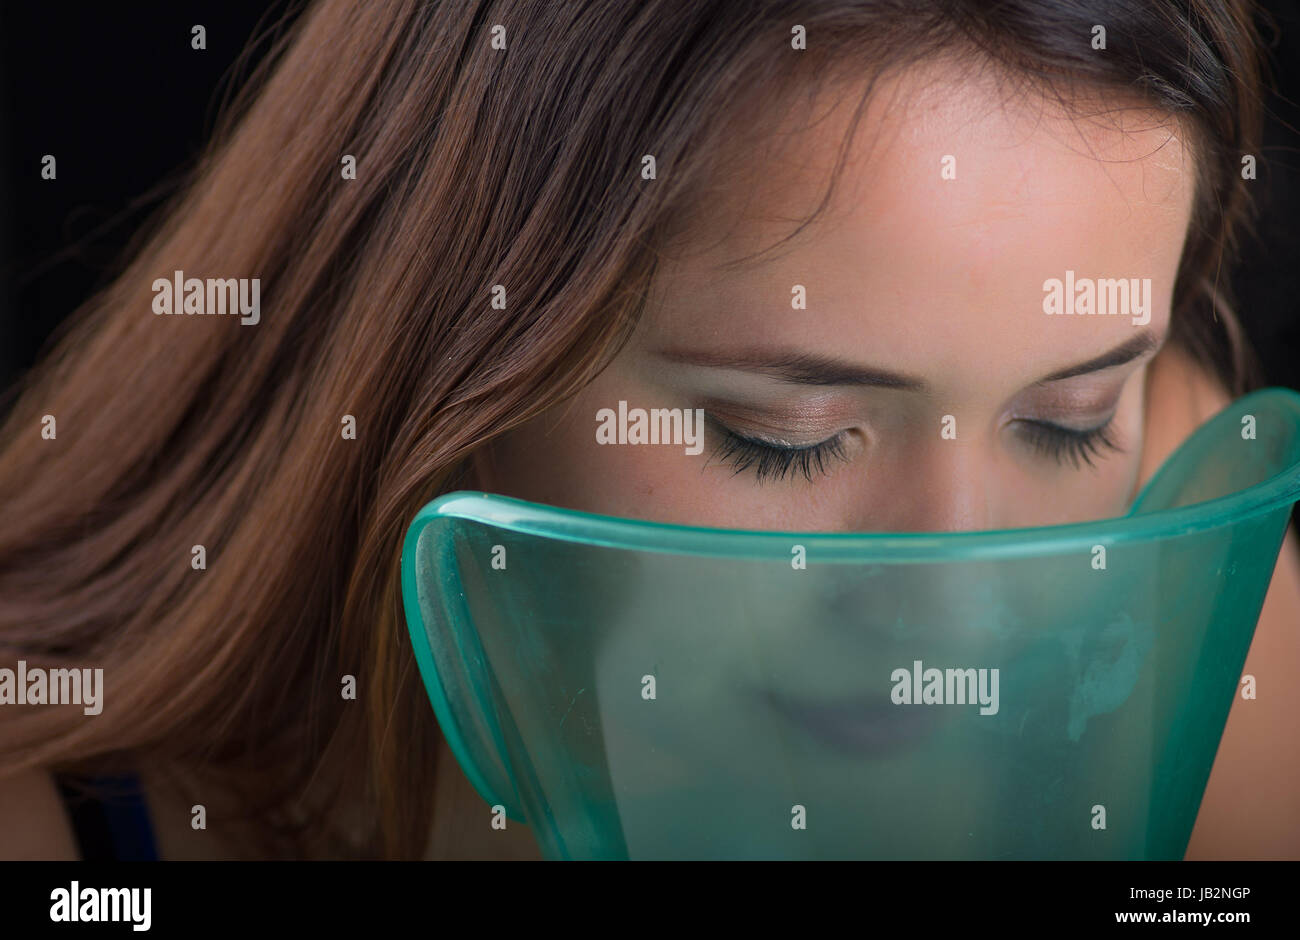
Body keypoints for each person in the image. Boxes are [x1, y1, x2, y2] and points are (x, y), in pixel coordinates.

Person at [1, 0, 1297, 860]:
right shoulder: (64, 824)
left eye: (1065, 423)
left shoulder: (1173, 559)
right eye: (781, 434)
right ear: (457, 366)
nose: (963, 619)